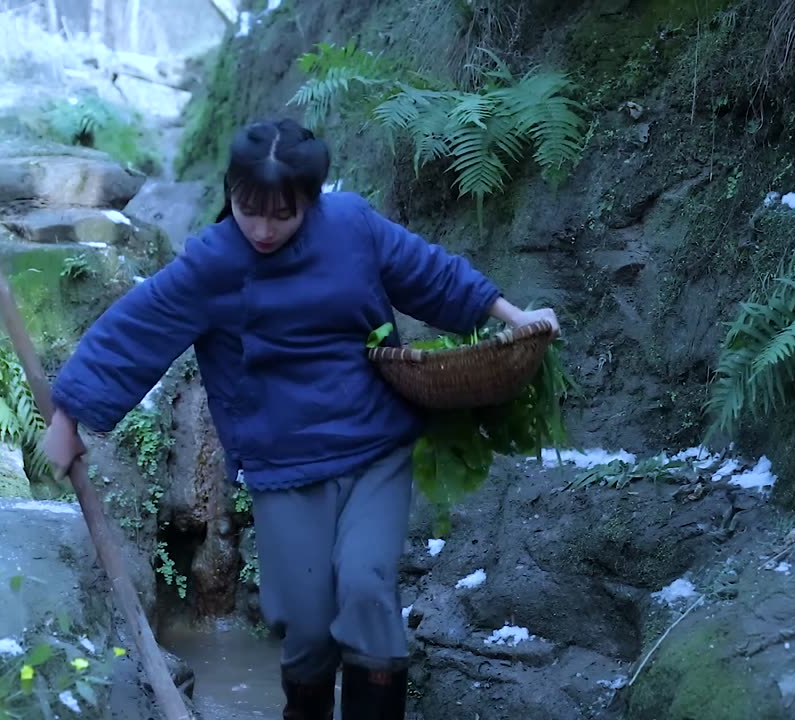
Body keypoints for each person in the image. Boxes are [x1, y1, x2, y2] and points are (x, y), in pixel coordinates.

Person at [41, 117, 560, 720]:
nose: (262, 229)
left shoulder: (351, 226)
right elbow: (139, 328)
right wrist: (67, 417)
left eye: (281, 214)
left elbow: (430, 274)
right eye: (247, 209)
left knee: (367, 590)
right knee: (308, 623)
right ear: (231, 193)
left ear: (311, 201)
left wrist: (518, 318)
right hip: (281, 463)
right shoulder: (212, 263)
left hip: (374, 447)